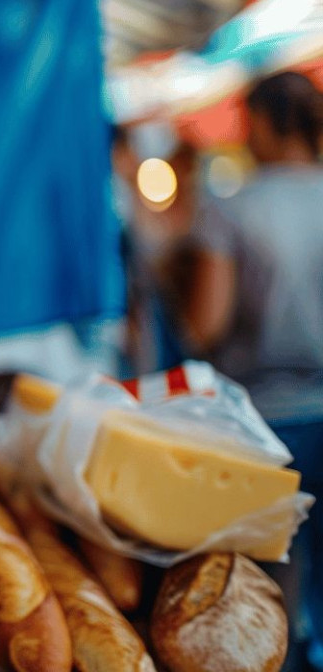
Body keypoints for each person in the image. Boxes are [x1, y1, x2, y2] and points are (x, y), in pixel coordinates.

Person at [184, 69, 323, 671]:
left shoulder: (231, 210)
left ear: (263, 123)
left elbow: (206, 324)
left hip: (262, 424)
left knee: (269, 599)